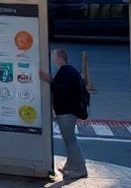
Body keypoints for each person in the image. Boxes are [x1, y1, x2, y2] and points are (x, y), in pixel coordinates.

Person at [40, 47, 87, 179]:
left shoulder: (66, 72)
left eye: (54, 56)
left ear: (60, 58)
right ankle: (70, 165)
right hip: (69, 111)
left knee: (70, 140)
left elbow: (62, 89)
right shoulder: (69, 70)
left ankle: (80, 169)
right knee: (69, 139)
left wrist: (49, 80)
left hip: (67, 112)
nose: (53, 59)